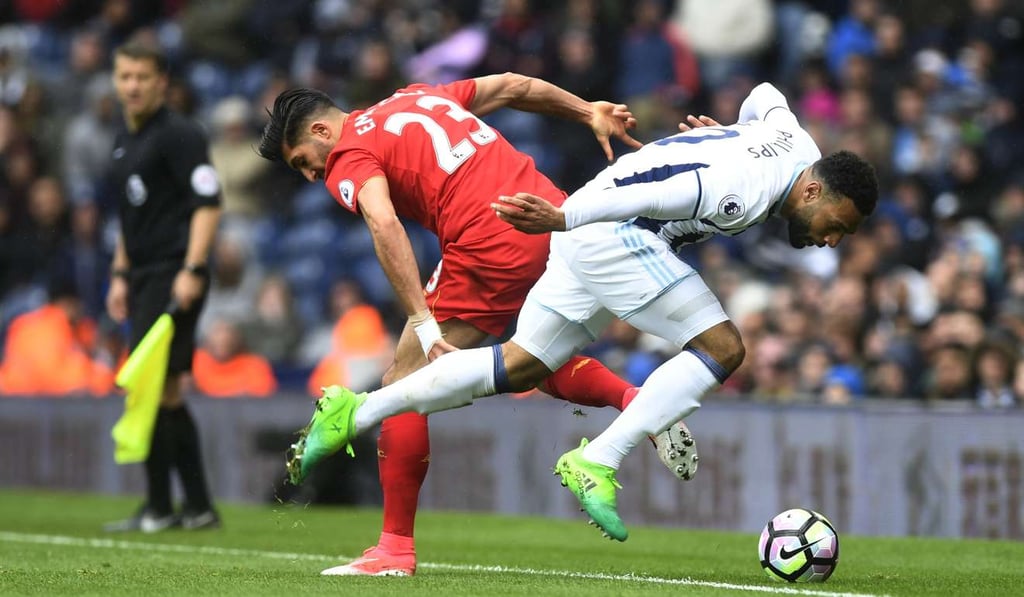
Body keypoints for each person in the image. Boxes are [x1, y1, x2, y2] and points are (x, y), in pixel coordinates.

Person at [294, 82, 879, 542]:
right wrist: (565, 218)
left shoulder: (795, 139)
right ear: (812, 192)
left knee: (521, 365)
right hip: (605, 232)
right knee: (723, 348)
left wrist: (738, 128)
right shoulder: (741, 191)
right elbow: (651, 197)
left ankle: (357, 408)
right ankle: (599, 457)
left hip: (581, 234)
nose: (832, 241)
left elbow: (767, 95)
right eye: (837, 227)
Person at [258, 72, 701, 575]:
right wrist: (586, 110)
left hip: (488, 242)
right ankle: (639, 403)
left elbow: (383, 223)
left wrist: (423, 321)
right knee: (530, 355)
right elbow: (513, 86)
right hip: (552, 216)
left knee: (402, 381)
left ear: (320, 131)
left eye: (302, 163)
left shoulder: (347, 154)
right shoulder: (417, 96)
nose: (311, 176)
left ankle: (394, 550)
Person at [103, 42, 222, 533]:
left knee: (155, 386)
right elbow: (132, 221)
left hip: (174, 269)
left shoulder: (180, 135)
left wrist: (192, 269)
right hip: (143, 273)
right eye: (125, 76)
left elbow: (208, 203)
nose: (132, 85)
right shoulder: (125, 140)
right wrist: (118, 274)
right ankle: (189, 508)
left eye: (142, 77)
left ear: (161, 82)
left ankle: (168, 507)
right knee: (160, 390)